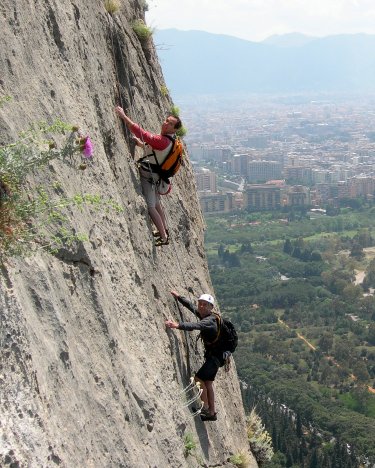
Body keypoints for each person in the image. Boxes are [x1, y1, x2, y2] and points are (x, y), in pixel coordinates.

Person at [115, 106, 182, 246]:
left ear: (174, 129)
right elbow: (155, 151)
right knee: (157, 204)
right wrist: (140, 144)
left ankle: (163, 236)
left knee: (151, 207)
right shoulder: (171, 141)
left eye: (170, 123)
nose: (165, 123)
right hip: (156, 176)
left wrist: (123, 116)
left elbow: (142, 133)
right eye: (166, 120)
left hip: (149, 177)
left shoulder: (163, 141)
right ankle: (165, 231)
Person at [165, 290, 225, 421]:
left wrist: (177, 325)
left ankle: (205, 408)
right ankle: (212, 412)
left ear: (211, 307)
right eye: (200, 303)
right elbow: (192, 307)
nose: (201, 306)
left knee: (198, 379)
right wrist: (179, 297)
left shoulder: (209, 321)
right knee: (208, 382)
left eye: (205, 304)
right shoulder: (209, 316)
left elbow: (196, 325)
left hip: (215, 358)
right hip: (217, 357)